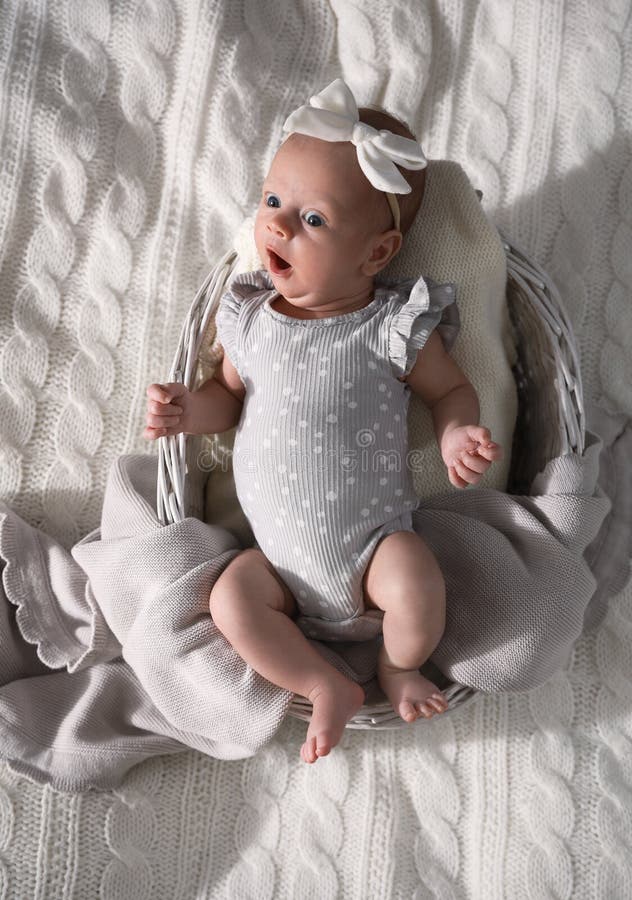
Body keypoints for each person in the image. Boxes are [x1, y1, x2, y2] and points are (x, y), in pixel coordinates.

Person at [144, 79, 503, 764]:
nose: (276, 225)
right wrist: (189, 410)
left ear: (375, 254)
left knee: (418, 582)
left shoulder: (389, 325)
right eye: (273, 201)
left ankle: (398, 667)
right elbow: (228, 399)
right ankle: (321, 681)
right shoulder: (250, 318)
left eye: (312, 220)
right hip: (275, 566)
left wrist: (458, 432)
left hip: (372, 553)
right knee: (230, 602)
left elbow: (451, 390)